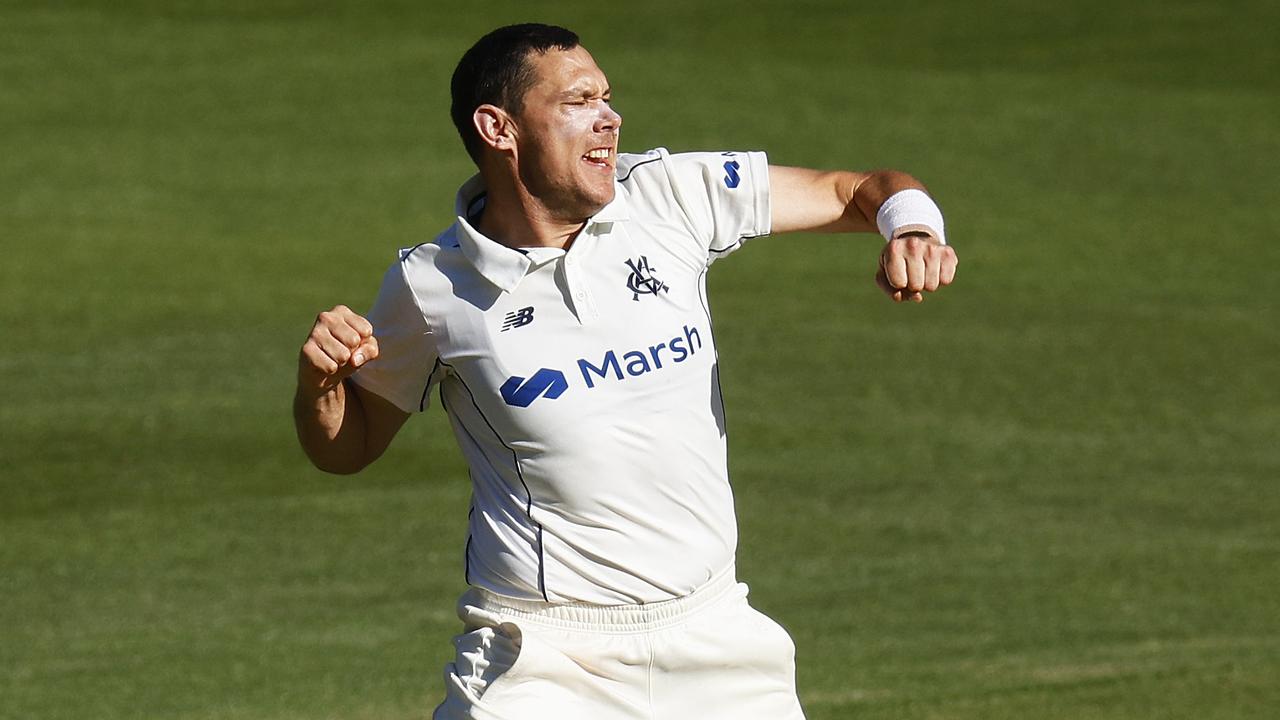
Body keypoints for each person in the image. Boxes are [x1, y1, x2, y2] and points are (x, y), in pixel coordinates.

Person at [293, 23, 957, 720]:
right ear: (499, 127)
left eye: (607, 98)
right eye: (579, 101)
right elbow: (347, 448)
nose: (610, 118)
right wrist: (321, 387)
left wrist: (913, 229)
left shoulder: (668, 195)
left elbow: (861, 189)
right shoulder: (431, 287)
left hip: (718, 643)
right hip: (542, 659)